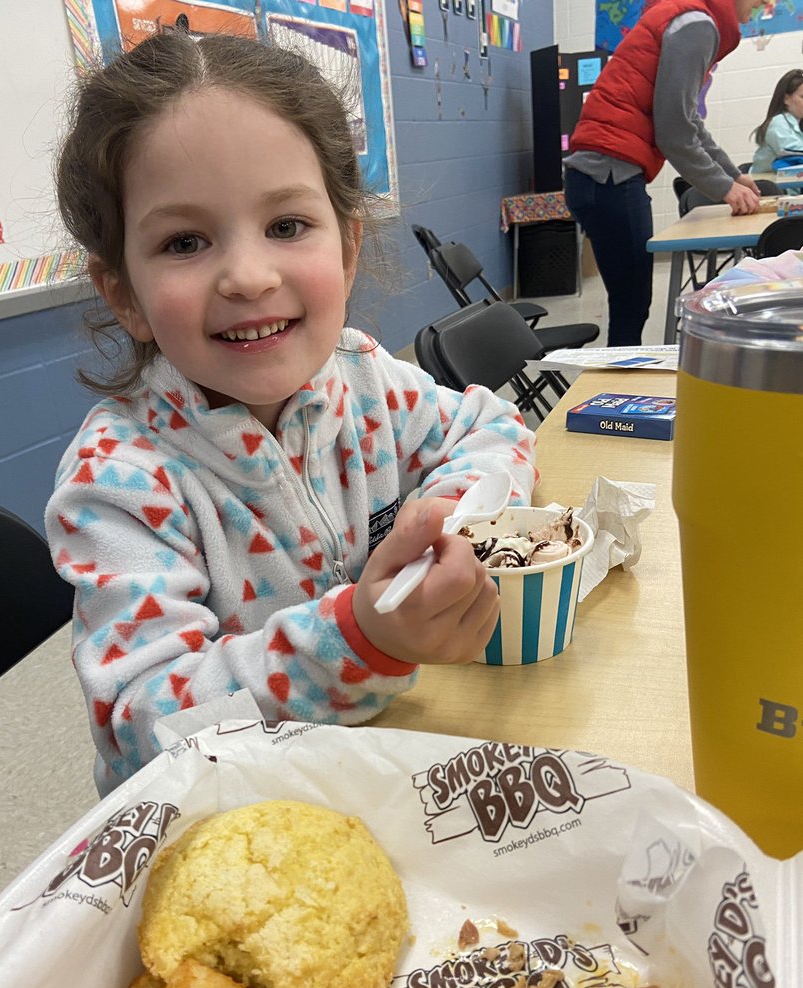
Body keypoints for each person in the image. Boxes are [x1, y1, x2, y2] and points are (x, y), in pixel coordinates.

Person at [45, 31, 537, 797]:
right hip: (218, 825)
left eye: (285, 226)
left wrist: (442, 524)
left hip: (369, 768)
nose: (248, 275)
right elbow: (146, 725)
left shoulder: (360, 375)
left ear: (345, 249)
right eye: (185, 241)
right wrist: (358, 638)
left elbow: (494, 429)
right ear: (124, 295)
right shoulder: (120, 482)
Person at [564, 0, 762, 347]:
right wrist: (725, 188)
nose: (767, 4)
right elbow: (673, 132)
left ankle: (623, 389)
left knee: (629, 303)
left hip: (601, 174)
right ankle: (622, 395)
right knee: (631, 304)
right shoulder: (697, 24)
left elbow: (688, 122)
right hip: (609, 175)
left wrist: (734, 176)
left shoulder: (687, 17)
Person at [750, 69, 803, 174]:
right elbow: (793, 152)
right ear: (786, 99)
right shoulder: (778, 123)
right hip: (766, 187)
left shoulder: (798, 124)